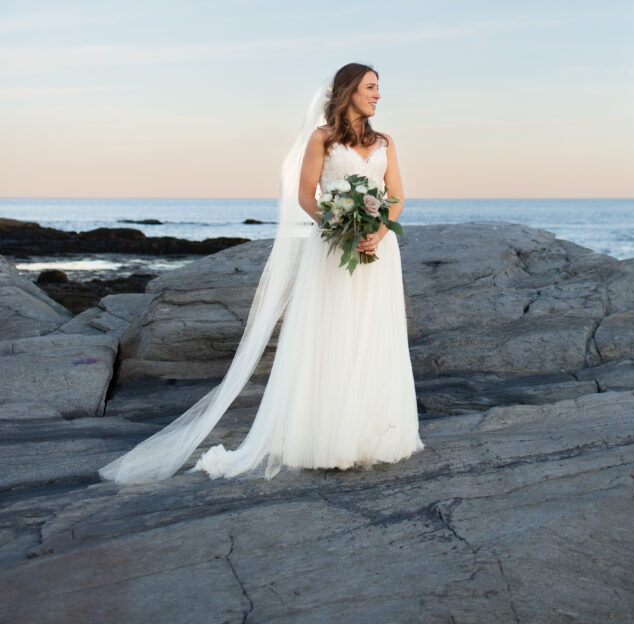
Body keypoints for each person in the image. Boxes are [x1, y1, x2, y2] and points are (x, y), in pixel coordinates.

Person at [99, 63, 424, 484]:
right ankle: (329, 437)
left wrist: (376, 234)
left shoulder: (385, 142)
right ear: (348, 92)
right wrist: (340, 224)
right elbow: (307, 196)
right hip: (334, 246)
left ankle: (376, 435)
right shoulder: (321, 139)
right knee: (334, 335)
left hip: (378, 251)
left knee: (373, 335)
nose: (379, 95)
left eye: (379, 88)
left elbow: (396, 197)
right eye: (371, 87)